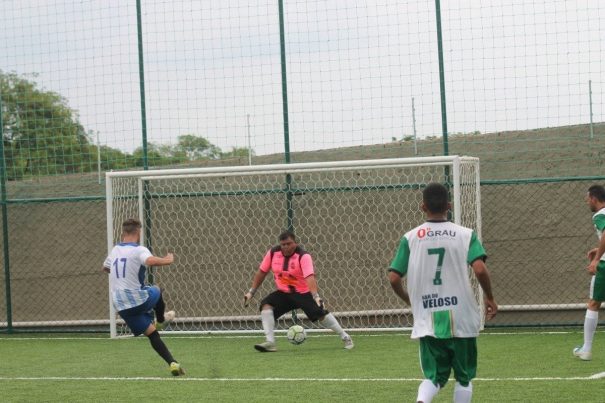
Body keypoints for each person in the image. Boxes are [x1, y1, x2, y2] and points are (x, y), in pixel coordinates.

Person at [388, 183, 497, 403]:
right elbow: (479, 268)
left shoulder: (411, 237)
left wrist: (409, 300)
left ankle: (422, 401)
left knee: (434, 377)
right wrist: (490, 297)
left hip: (429, 316)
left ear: (422, 206)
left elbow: (393, 277)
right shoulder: (466, 234)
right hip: (462, 316)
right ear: (449, 205)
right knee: (464, 378)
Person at [243, 230, 354, 352]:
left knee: (321, 314)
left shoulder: (303, 256)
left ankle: (345, 337)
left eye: (289, 244)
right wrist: (251, 292)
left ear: (295, 243)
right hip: (283, 293)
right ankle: (270, 343)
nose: (285, 247)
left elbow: (309, 277)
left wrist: (316, 296)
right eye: (283, 244)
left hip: (303, 293)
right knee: (266, 305)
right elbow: (262, 272)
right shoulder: (273, 253)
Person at [103, 218, 184, 376]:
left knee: (151, 333)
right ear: (138, 233)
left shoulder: (115, 250)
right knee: (157, 290)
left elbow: (105, 267)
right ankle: (161, 320)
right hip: (135, 299)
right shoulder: (139, 249)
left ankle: (173, 363)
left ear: (123, 233)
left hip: (120, 305)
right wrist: (167, 260)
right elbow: (149, 260)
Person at [574, 184, 605, 361]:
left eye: (587, 198)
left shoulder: (599, 215)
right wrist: (598, 248)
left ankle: (586, 349)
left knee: (593, 303)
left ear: (593, 198)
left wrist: (596, 258)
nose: (587, 202)